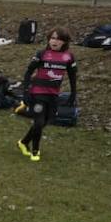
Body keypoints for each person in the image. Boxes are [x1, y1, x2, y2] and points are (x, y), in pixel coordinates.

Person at [16, 28, 77, 163]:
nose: (54, 41)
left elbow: (73, 76)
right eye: (52, 38)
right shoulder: (42, 54)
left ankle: (24, 142)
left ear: (64, 42)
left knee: (45, 122)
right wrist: (26, 92)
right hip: (37, 93)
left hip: (53, 95)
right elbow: (28, 73)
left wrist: (73, 93)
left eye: (58, 39)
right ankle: (35, 150)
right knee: (38, 122)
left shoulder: (68, 57)